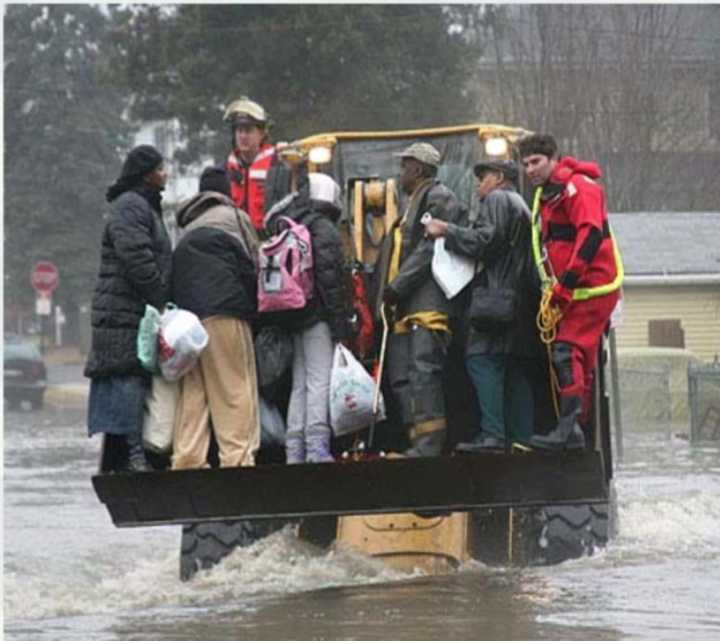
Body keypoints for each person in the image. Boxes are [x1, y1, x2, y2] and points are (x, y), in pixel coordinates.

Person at [425, 159, 542, 450]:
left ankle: (492, 435)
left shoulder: (498, 199)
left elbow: (486, 241)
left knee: (481, 360)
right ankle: (521, 439)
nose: (479, 185)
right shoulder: (522, 205)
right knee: (514, 369)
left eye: (483, 178)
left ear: (499, 177)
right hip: (520, 303)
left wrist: (446, 230)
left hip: (496, 299)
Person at [518, 133, 623, 449]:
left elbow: (590, 237)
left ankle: (570, 430)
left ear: (553, 159)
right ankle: (578, 426)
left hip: (591, 288)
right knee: (579, 359)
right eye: (525, 164)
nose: (530, 170)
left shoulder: (579, 188)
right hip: (572, 291)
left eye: (536, 162)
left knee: (566, 351)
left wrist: (566, 283)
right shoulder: (547, 195)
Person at [85, 145, 172, 472]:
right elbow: (136, 256)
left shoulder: (141, 205)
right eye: (161, 168)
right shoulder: (131, 206)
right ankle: (132, 457)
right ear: (147, 173)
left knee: (133, 376)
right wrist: (158, 294)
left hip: (129, 308)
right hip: (123, 311)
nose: (165, 174)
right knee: (128, 377)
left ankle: (135, 453)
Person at [170, 166, 261, 469]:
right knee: (233, 388)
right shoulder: (234, 216)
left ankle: (187, 459)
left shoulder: (186, 225)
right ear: (226, 192)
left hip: (187, 322)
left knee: (194, 391)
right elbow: (254, 265)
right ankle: (237, 461)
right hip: (225, 312)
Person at [378, 142, 464, 457]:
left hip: (428, 306)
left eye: (405, 166)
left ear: (420, 169)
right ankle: (414, 440)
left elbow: (427, 252)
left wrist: (396, 287)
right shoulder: (411, 205)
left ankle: (429, 447)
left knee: (423, 373)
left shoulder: (439, 199)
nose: (401, 173)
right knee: (401, 376)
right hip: (405, 309)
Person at [263, 173, 353, 464]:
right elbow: (331, 281)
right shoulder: (323, 228)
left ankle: (295, 450)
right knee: (319, 380)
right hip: (316, 316)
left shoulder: (291, 223)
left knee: (300, 383)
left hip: (293, 314)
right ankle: (316, 447)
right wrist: (340, 327)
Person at [223, 96, 276, 232]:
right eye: (239, 131)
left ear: (262, 133)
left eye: (248, 131)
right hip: (236, 240)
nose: (243, 136)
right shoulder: (226, 168)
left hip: (269, 241)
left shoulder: (277, 164)